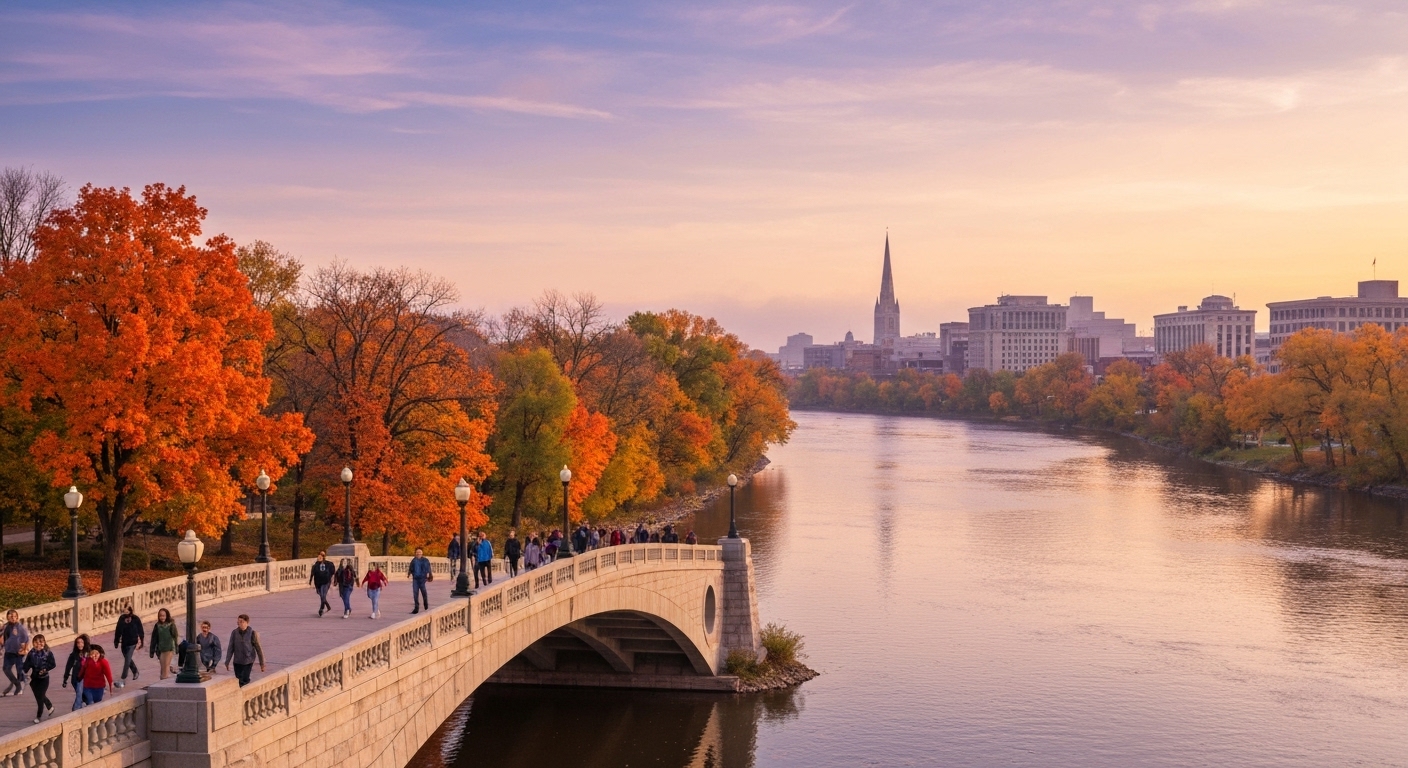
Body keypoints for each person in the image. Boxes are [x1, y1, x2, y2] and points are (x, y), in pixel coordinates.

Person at [223, 614, 264, 687]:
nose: (239, 624)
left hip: (248, 660)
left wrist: (262, 663)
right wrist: (227, 661)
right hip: (237, 661)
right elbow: (230, 648)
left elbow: (258, 649)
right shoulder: (234, 633)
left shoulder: (252, 633)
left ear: (247, 623)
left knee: (245, 679)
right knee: (238, 680)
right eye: (238, 622)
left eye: (241, 622)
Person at [22, 634, 56, 723]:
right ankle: (49, 706)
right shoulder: (31, 653)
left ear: (44, 643)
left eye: (41, 642)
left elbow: (53, 664)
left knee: (40, 697)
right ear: (33, 643)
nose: (38, 645)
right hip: (34, 679)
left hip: (44, 678)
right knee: (39, 697)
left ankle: (38, 716)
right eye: (36, 643)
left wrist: (45, 669)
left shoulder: (48, 653)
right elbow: (26, 665)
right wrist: (23, 672)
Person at [111, 605, 143, 688]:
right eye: (124, 611)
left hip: (132, 642)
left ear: (130, 611)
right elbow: (118, 630)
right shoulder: (121, 619)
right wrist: (116, 641)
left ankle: (122, 680)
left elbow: (140, 630)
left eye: (126, 611)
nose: (125, 613)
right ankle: (135, 671)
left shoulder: (135, 619)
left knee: (127, 661)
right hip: (124, 643)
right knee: (128, 660)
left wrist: (141, 641)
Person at [2, 609, 30, 697]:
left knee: (19, 670)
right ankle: (17, 684)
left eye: (15, 616)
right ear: (7, 618)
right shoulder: (6, 627)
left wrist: (24, 650)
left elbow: (26, 639)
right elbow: (4, 638)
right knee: (6, 669)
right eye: (11, 617)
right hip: (9, 652)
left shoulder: (20, 627)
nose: (13, 618)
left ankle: (20, 686)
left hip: (18, 652)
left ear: (17, 617)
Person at [149, 608, 179, 680]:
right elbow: (154, 639)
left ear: (167, 616)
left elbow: (175, 636)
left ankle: (164, 683)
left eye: (163, 616)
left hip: (169, 649)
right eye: (160, 616)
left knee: (165, 668)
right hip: (161, 649)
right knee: (163, 667)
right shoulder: (157, 626)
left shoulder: (171, 624)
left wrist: (176, 647)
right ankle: (162, 681)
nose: (162, 617)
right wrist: (152, 651)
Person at [62, 634, 90, 711]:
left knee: (80, 694)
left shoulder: (89, 654)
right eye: (78, 642)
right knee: (81, 694)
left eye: (82, 642)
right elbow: (68, 667)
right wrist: (65, 679)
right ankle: (84, 705)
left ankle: (76, 708)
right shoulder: (73, 655)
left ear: (85, 643)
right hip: (75, 678)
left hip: (84, 678)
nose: (80, 644)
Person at [309, 551, 335, 617]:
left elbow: (333, 571)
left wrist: (330, 578)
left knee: (323, 595)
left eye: (322, 555)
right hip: (318, 583)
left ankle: (321, 609)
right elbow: (312, 573)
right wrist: (310, 580)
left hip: (326, 582)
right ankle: (328, 606)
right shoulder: (315, 565)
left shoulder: (329, 564)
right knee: (321, 595)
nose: (320, 556)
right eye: (319, 555)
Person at [409, 547, 432, 614]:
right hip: (415, 579)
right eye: (417, 552)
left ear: (422, 553)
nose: (418, 553)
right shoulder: (414, 560)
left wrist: (428, 575)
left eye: (420, 552)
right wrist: (410, 573)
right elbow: (411, 568)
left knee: (423, 592)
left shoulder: (425, 560)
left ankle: (426, 604)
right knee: (415, 593)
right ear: (415, 553)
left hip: (422, 579)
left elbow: (428, 568)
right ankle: (416, 608)